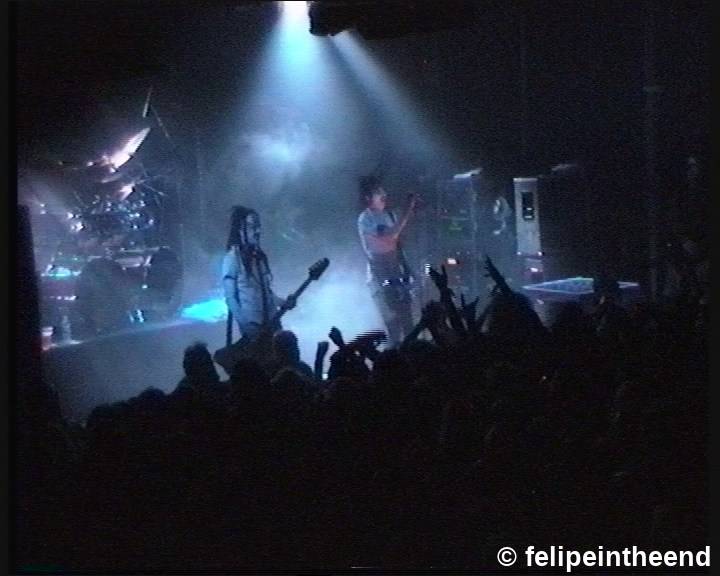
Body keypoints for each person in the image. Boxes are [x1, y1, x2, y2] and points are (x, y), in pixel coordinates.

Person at [357, 176, 417, 346]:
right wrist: (408, 210)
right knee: (393, 327)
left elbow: (396, 246)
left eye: (383, 191)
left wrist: (407, 269)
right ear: (368, 198)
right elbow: (388, 237)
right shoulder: (365, 218)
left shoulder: (389, 215)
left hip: (397, 275)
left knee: (408, 322)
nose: (384, 195)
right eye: (378, 192)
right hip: (379, 278)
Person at [221, 206, 295, 342]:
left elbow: (266, 293)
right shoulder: (232, 258)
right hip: (254, 327)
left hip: (273, 322)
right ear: (240, 230)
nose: (257, 231)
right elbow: (231, 298)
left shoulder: (259, 257)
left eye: (258, 227)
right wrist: (246, 326)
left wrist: (283, 303)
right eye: (252, 227)